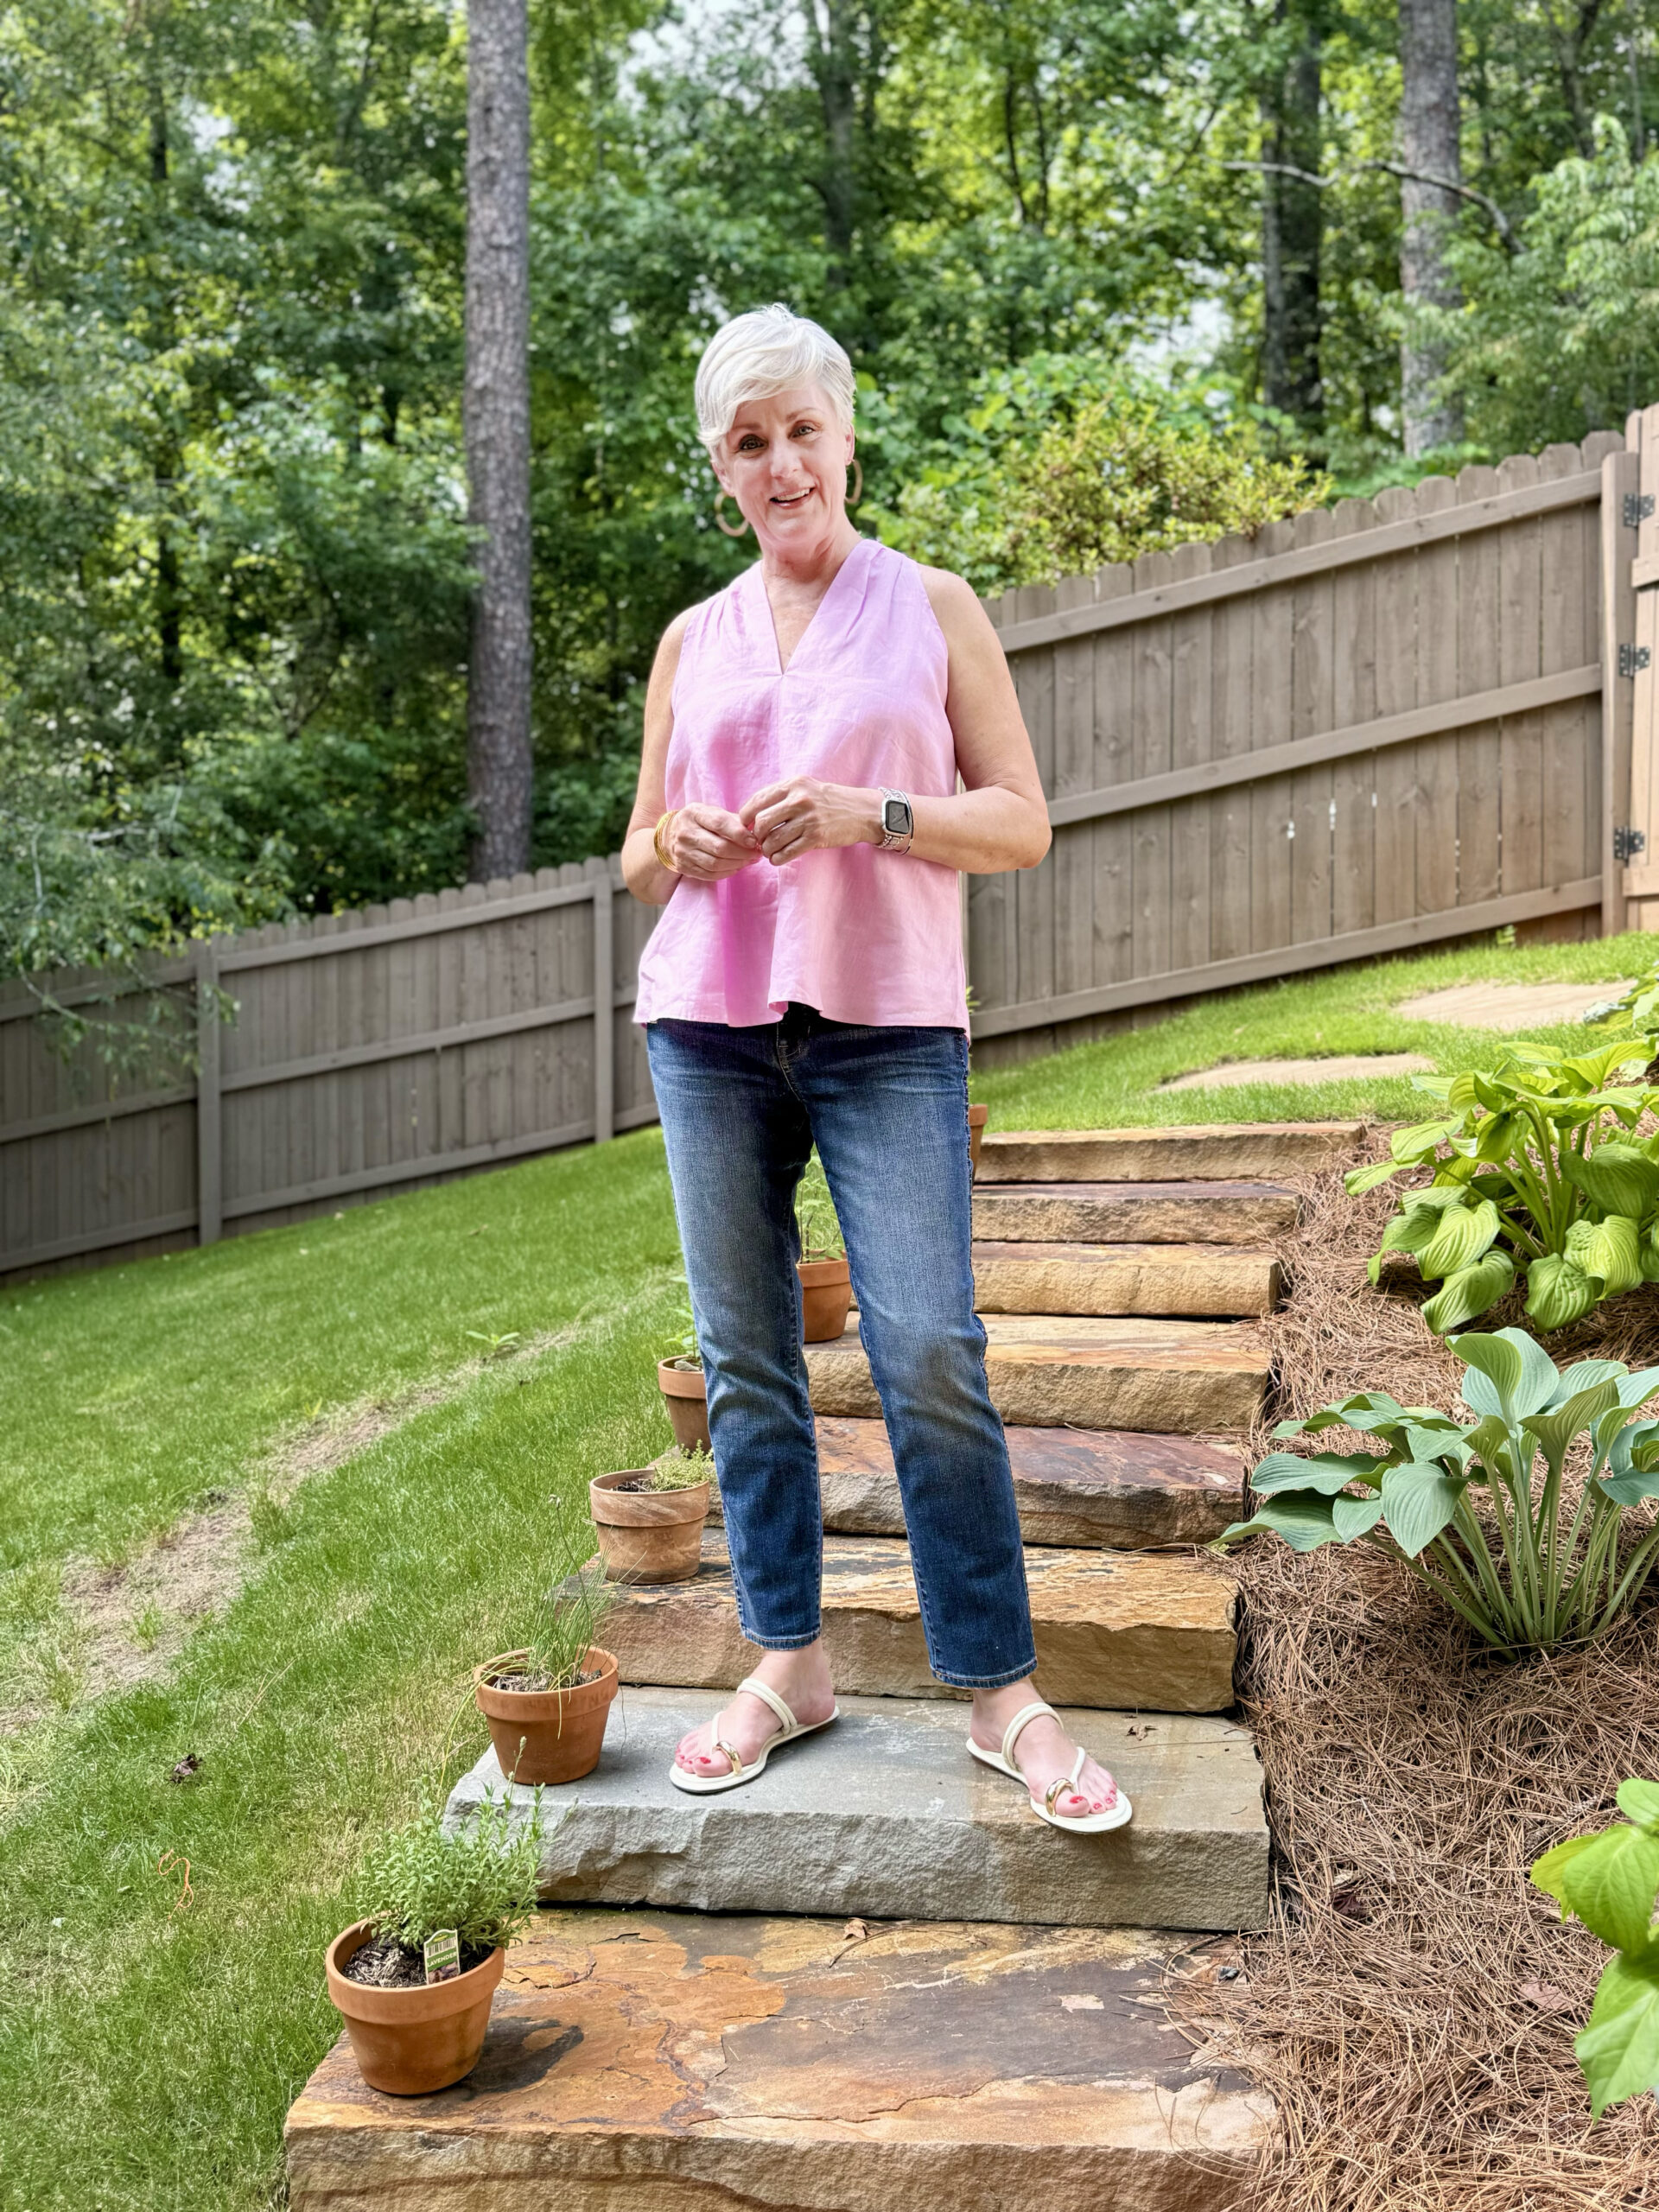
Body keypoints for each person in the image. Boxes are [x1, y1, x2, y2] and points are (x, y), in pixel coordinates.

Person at [620, 302, 1128, 1833]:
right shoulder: (691, 640)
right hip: (708, 1029)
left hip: (887, 1026)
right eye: (748, 443)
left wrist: (873, 814)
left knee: (925, 1351)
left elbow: (1023, 819)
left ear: (848, 437)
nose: (782, 464)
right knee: (746, 1363)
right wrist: (679, 845)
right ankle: (789, 1663)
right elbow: (640, 858)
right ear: (724, 469)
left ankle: (1001, 1693)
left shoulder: (932, 607)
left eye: (801, 432)